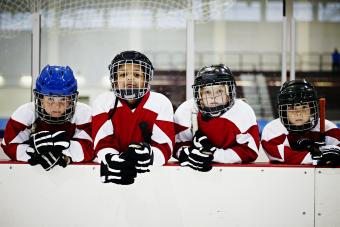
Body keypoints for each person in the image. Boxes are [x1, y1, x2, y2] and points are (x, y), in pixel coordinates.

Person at [92, 50, 175, 185]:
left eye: (137, 74)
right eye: (123, 74)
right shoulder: (103, 102)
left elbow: (164, 146)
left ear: (146, 79)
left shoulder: (161, 102)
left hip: (152, 179)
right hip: (115, 176)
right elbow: (103, 143)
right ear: (115, 79)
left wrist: (150, 156)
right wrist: (112, 159)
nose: (130, 79)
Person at [1, 65, 94, 170]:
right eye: (50, 99)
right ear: (40, 98)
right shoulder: (26, 113)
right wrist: (35, 154)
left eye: (63, 99)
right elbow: (9, 145)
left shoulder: (83, 113)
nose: (56, 106)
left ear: (70, 100)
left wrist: (62, 155)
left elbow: (91, 147)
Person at [173, 64, 259, 172]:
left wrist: (214, 154)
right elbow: (178, 145)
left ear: (229, 93)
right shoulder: (186, 110)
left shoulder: (242, 111)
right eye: (207, 92)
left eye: (219, 91)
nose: (213, 97)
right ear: (199, 95)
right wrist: (188, 154)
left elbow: (249, 151)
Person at [261, 79, 340, 165]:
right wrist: (318, 157)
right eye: (292, 108)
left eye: (304, 107)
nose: (298, 114)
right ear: (284, 111)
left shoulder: (329, 129)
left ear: (312, 109)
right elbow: (287, 157)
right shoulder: (273, 130)